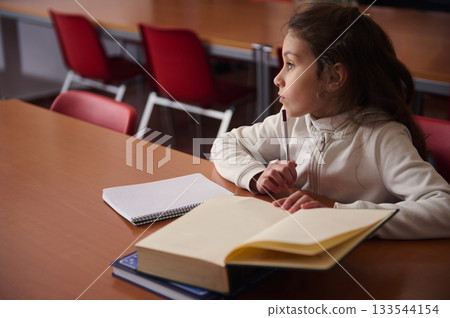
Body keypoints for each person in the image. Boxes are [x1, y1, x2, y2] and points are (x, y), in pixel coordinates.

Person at [210, 3, 450, 240]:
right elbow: (225, 144)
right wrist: (256, 175)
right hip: (298, 242)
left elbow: (444, 209)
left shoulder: (382, 138)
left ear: (333, 78)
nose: (277, 78)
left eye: (291, 65)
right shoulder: (293, 121)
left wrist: (339, 215)